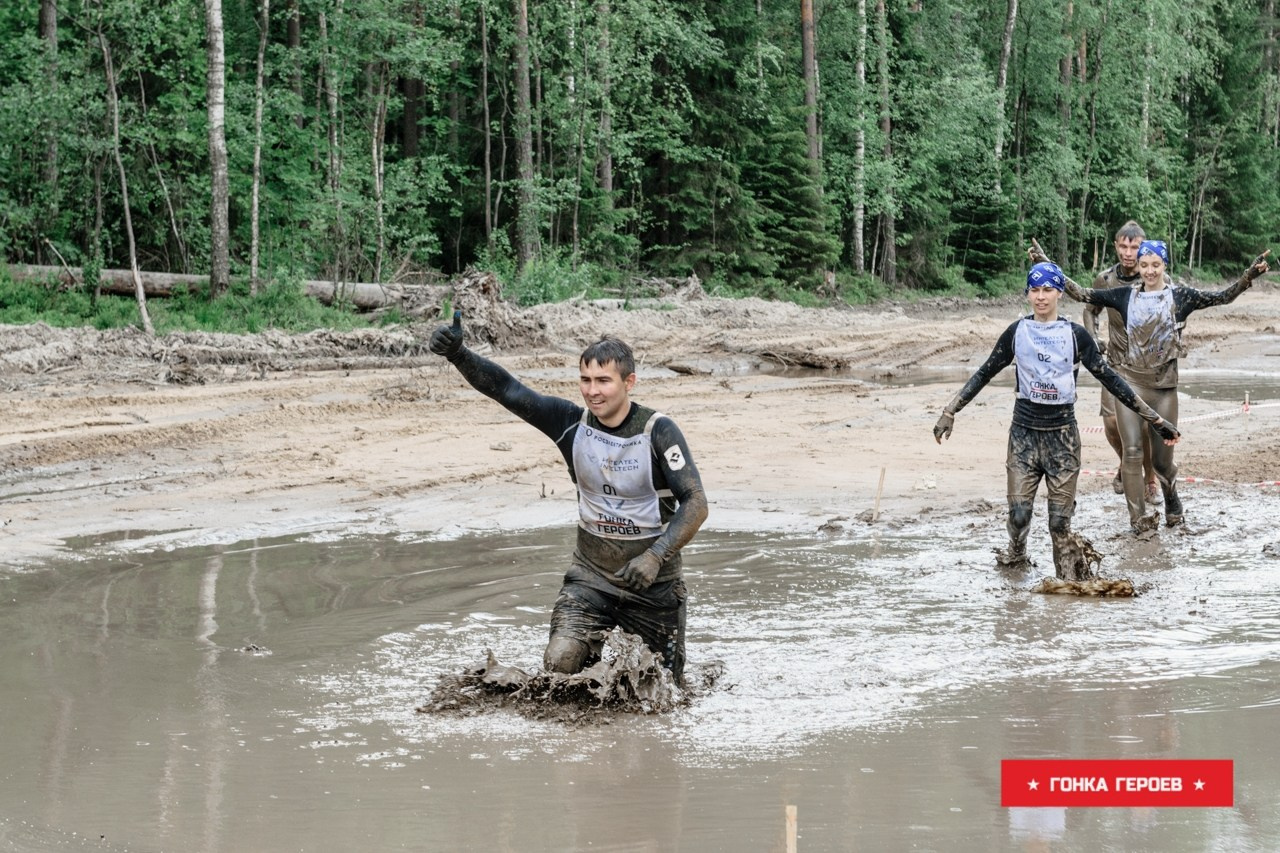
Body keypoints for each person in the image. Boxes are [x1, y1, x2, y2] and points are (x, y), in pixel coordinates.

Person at [428, 312, 708, 681]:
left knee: (664, 687)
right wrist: (459, 354)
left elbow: (696, 502)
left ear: (629, 382)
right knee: (559, 664)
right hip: (590, 580)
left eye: (603, 381)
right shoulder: (570, 424)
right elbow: (508, 390)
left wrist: (655, 556)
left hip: (654, 587)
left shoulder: (659, 431)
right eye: (585, 380)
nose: (592, 391)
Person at [933, 262, 1180, 576]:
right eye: (1034, 290)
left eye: (1047, 289)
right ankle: (1016, 558)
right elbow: (984, 372)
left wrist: (1155, 420)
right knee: (1019, 515)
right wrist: (950, 411)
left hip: (1063, 440)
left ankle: (1065, 585)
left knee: (1059, 524)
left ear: (1059, 293)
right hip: (1023, 437)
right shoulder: (1016, 332)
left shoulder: (1075, 335)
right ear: (1027, 294)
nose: (1041, 296)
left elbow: (1112, 381)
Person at [1033, 240, 1270, 532]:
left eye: (1155, 265)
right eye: (1144, 265)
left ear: (1164, 265)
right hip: (1130, 386)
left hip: (1164, 390)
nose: (1149, 271)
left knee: (1161, 463)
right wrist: (1047, 264)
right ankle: (1139, 520)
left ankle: (1170, 493)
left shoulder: (1181, 296)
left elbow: (1222, 297)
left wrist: (1248, 276)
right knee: (1132, 452)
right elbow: (1081, 293)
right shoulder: (1124, 296)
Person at [1086, 220, 1158, 501]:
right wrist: (1093, 338)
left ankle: (1150, 480)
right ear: (1116, 246)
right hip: (1115, 362)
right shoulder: (1105, 280)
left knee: (1145, 426)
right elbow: (1090, 309)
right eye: (1124, 247)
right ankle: (1127, 463)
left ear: (1143, 248)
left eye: (1135, 247)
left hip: (1146, 364)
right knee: (1112, 423)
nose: (1129, 253)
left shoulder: (1151, 277)